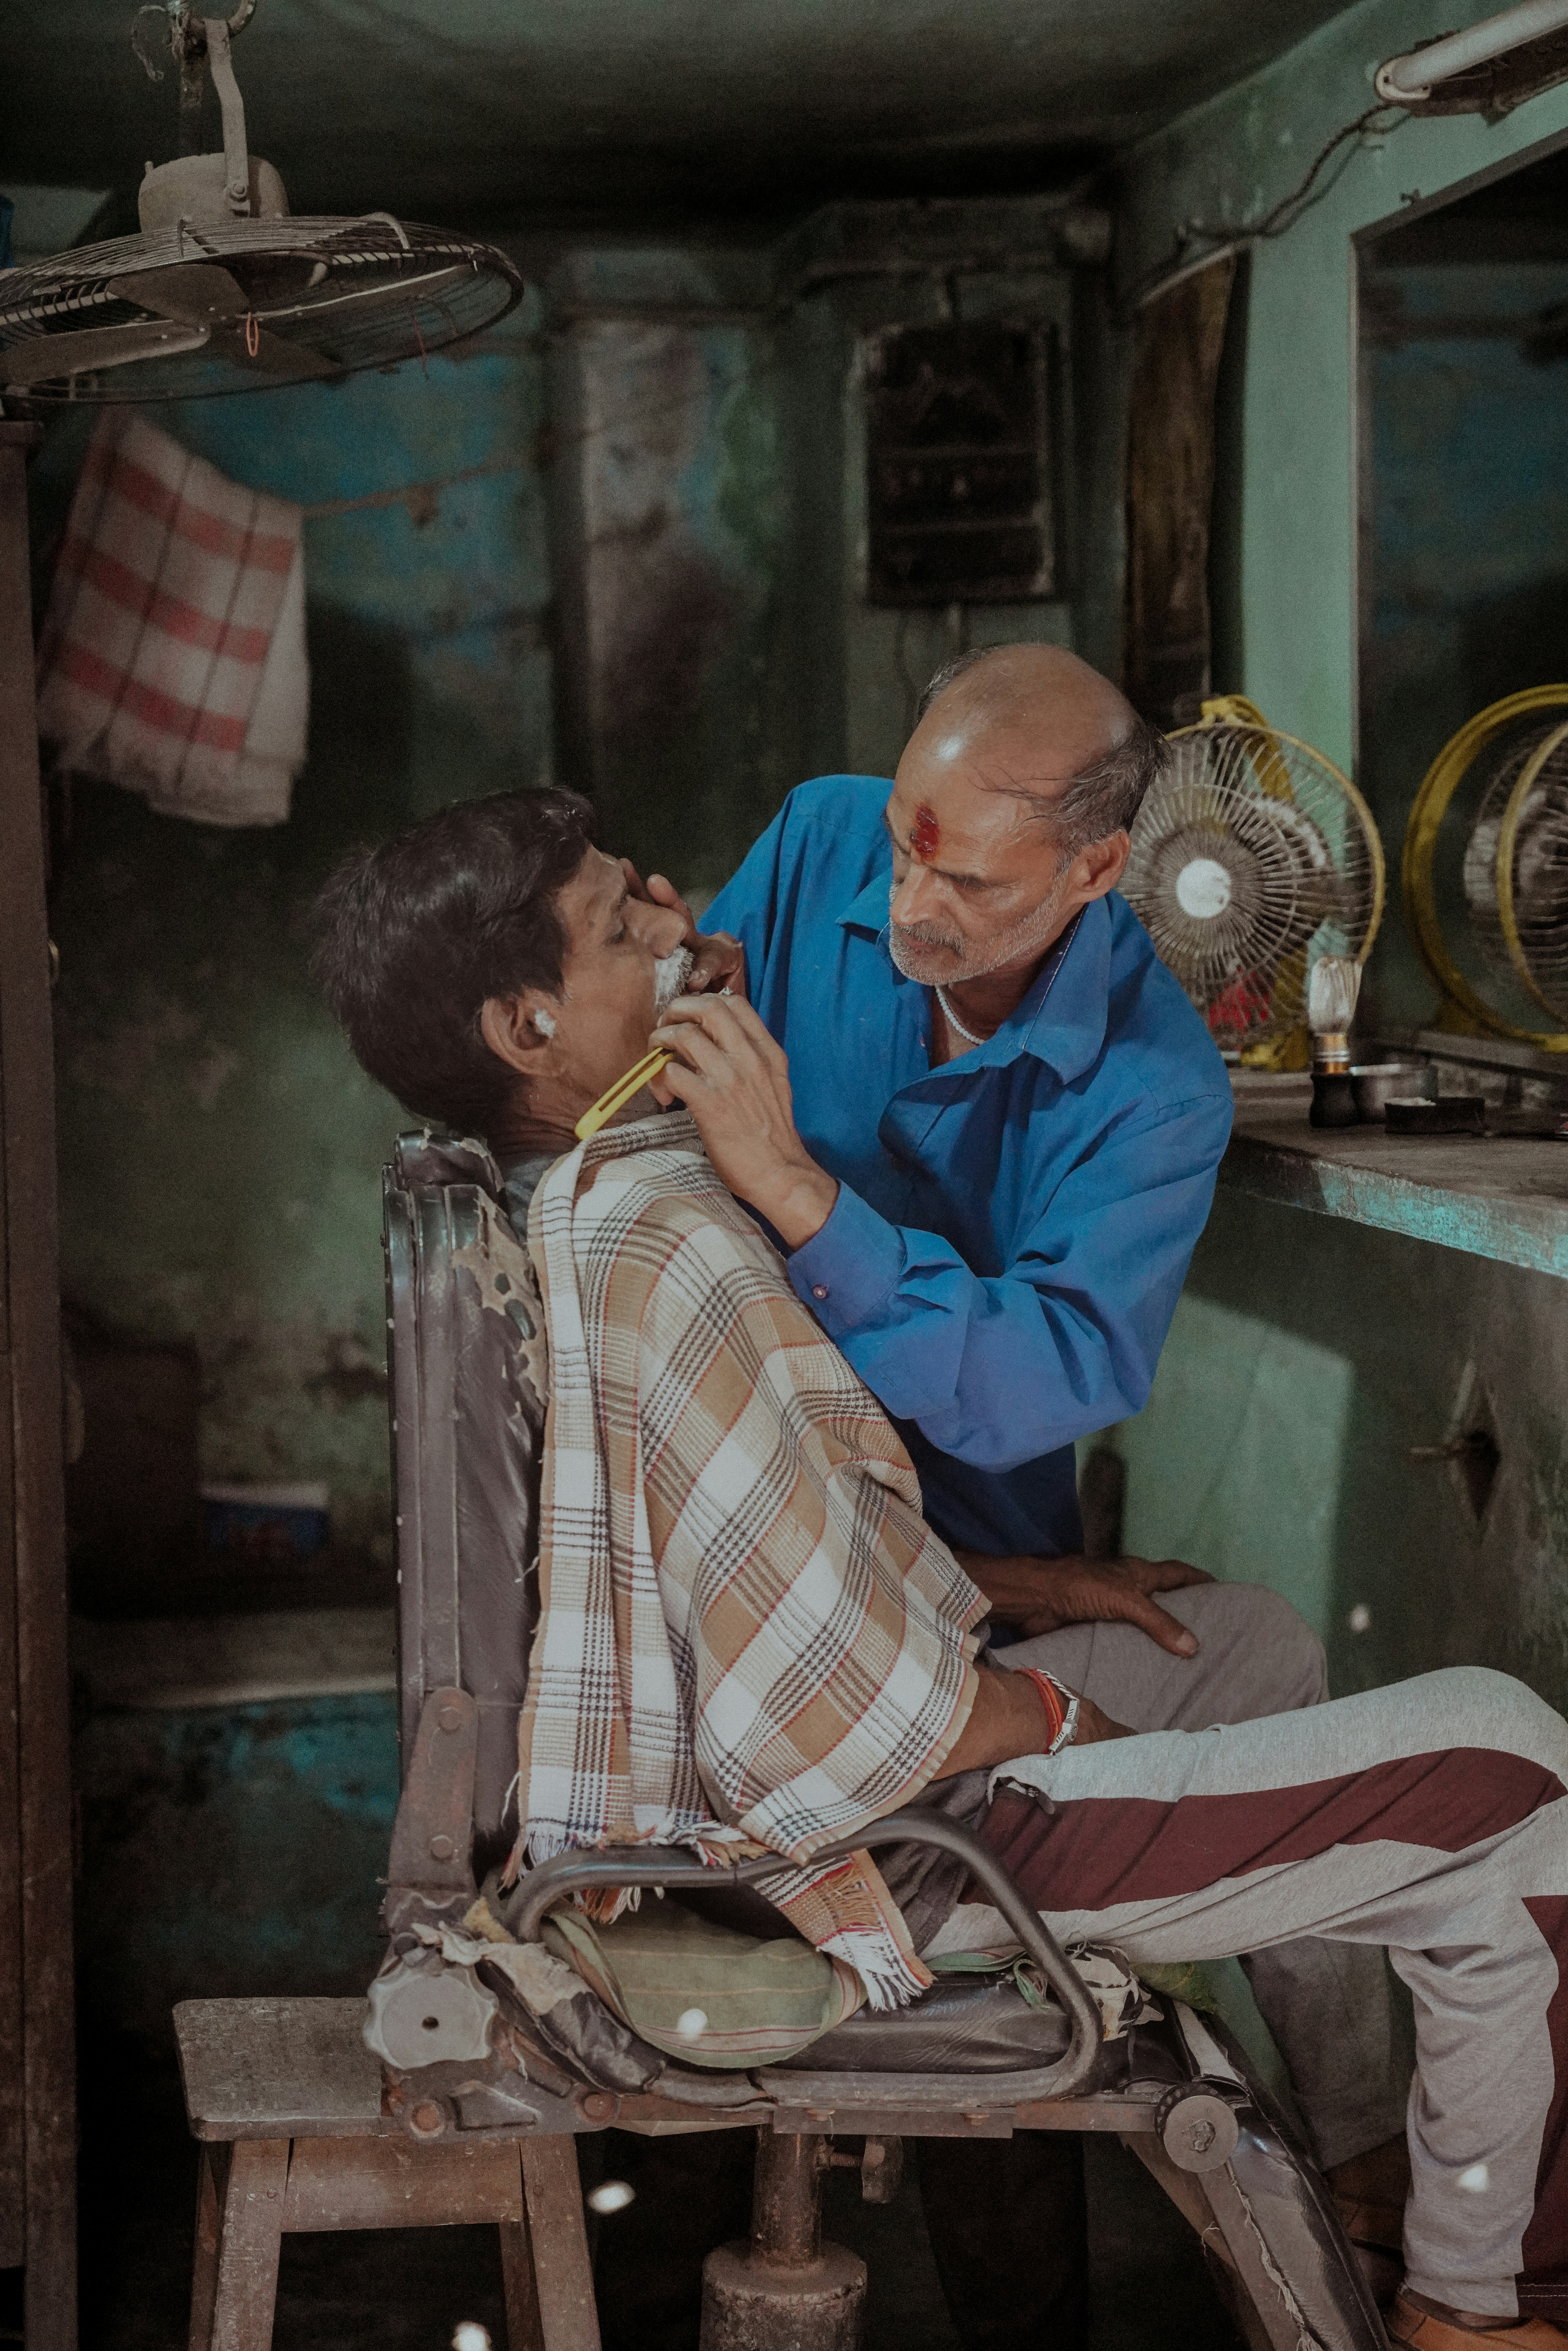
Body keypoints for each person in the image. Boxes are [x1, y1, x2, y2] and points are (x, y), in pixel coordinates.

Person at [312, 786, 1568, 2351]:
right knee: (1511, 1769)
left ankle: (1376, 2171)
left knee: (1234, 1640)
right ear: (528, 1024)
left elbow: (722, 1549)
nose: (667, 900)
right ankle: (1486, 2305)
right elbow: (815, 1719)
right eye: (615, 916)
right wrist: (1041, 1720)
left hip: (825, 1791)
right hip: (883, 1852)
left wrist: (1028, 1592)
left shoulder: (607, 1195)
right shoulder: (667, 1233)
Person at [610, 642, 1407, 2336]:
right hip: (757, 1541)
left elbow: (1054, 1371)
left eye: (962, 876)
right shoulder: (825, 840)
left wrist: (809, 1207)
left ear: (1099, 868)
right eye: (906, 837)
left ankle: (1276, 2204)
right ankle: (1366, 2156)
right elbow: (664, 1081)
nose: (904, 896)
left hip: (940, 1552)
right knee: (1221, 1694)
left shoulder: (1153, 1084)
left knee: (1013, 2106)